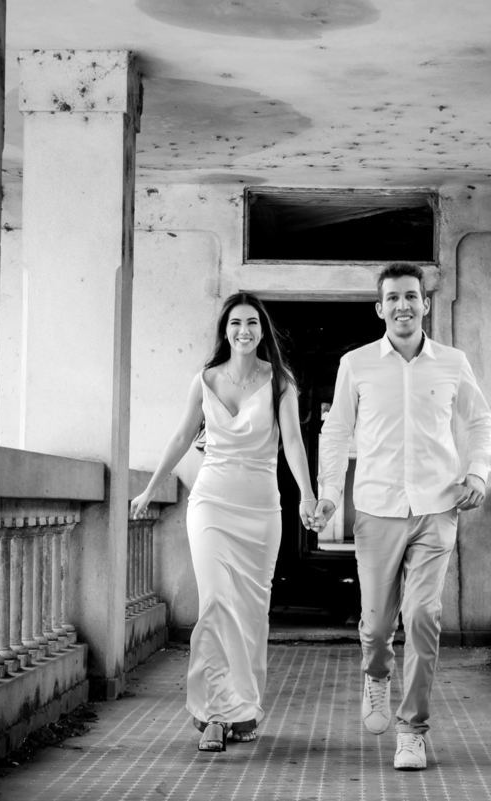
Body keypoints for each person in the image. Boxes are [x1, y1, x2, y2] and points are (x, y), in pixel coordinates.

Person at [310, 262, 491, 771]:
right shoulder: (357, 364)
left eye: (411, 296)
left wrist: (477, 473)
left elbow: (479, 420)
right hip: (377, 509)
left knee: (422, 616)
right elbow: (336, 431)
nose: (403, 306)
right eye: (392, 298)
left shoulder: (453, 363)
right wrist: (329, 494)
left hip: (437, 509)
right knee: (375, 627)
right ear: (379, 308)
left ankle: (412, 731)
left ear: (425, 304)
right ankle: (376, 675)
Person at [131, 292, 315, 753]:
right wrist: (150, 488)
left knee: (250, 611)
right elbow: (181, 435)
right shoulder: (205, 379)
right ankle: (214, 713)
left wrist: (308, 495)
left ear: (262, 330)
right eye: (235, 323)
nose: (243, 331)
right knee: (215, 603)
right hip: (211, 503)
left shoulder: (280, 381)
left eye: (252, 323)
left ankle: (243, 707)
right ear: (225, 330)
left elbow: (293, 442)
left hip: (261, 510)